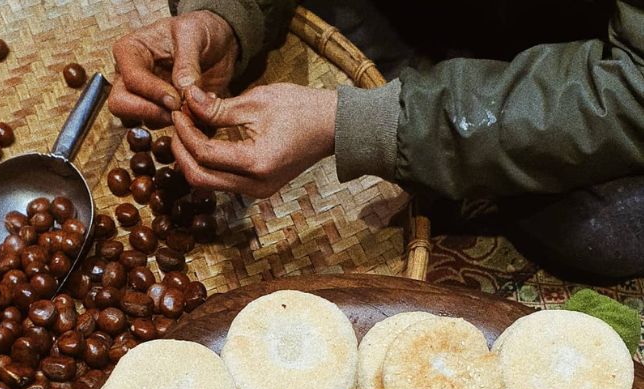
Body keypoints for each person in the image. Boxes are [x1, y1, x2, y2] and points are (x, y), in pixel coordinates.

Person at [109, 0, 644, 278]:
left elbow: (634, 85)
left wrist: (368, 124)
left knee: (602, 230)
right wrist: (227, 16)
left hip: (586, 45)